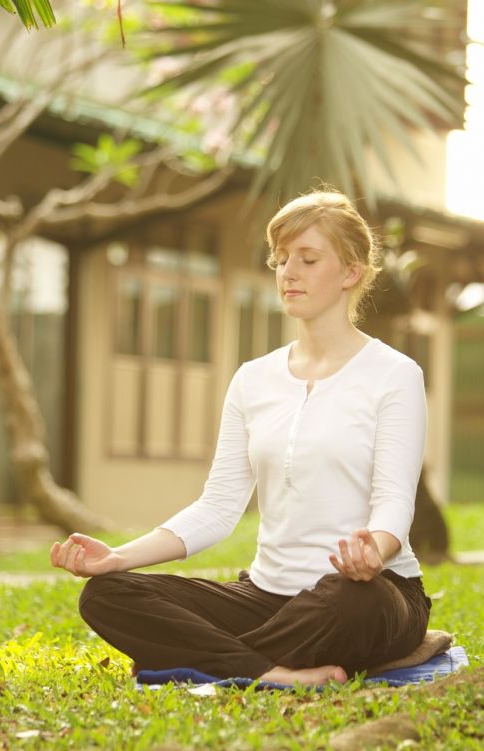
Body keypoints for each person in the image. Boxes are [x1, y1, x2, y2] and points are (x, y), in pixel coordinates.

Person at [51, 188, 431, 687]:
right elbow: (218, 508)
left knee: (353, 601)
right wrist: (117, 558)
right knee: (105, 594)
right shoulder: (254, 379)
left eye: (308, 258)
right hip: (268, 597)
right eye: (280, 259)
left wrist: (373, 553)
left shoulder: (393, 374)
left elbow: (394, 502)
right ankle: (275, 672)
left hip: (371, 591)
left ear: (351, 273)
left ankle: (206, 658)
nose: (287, 272)